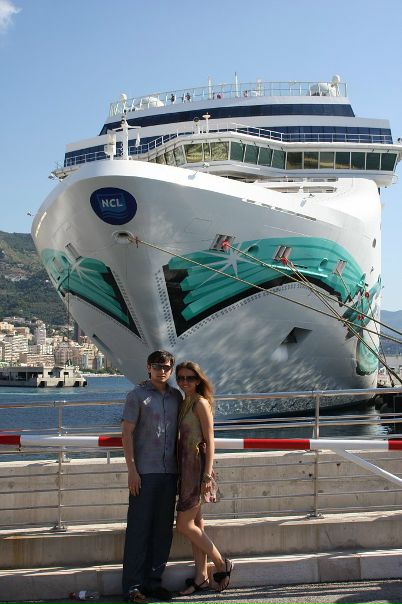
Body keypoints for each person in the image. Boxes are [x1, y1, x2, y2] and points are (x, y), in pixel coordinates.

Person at [121, 350, 182, 603]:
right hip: (144, 473)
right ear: (148, 367)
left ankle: (154, 583)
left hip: (170, 472)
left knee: (163, 531)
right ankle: (132, 588)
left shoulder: (177, 397)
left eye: (166, 367)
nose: (162, 371)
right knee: (138, 531)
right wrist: (132, 470)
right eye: (157, 366)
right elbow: (126, 433)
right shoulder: (136, 396)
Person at [175, 361, 233, 595]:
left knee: (184, 525)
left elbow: (210, 439)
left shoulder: (200, 403)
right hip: (185, 468)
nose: (184, 382)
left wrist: (207, 475)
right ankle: (200, 577)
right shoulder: (184, 402)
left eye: (189, 378)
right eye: (180, 378)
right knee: (197, 524)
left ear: (198, 380)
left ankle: (221, 563)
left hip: (197, 469)